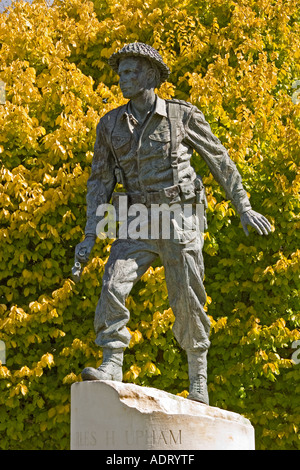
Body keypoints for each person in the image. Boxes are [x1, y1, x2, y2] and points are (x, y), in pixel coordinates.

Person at [74, 43, 272, 405]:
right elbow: (100, 182)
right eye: (120, 73)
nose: (123, 80)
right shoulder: (110, 125)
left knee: (187, 299)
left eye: (131, 72)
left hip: (179, 216)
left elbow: (219, 159)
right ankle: (112, 364)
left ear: (150, 75)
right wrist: (90, 234)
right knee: (113, 282)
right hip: (138, 219)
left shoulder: (181, 116)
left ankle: (198, 379)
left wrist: (243, 206)